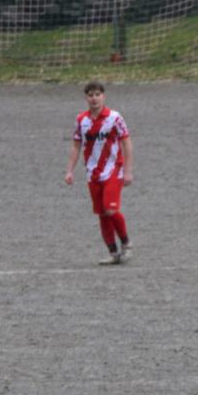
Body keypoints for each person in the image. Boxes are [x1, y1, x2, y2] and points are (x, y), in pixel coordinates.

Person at [67, 80, 134, 264]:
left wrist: (128, 171)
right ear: (86, 98)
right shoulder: (81, 120)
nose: (94, 98)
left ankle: (126, 244)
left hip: (113, 171)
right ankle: (113, 253)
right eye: (90, 95)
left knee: (111, 209)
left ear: (103, 96)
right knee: (102, 214)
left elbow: (126, 142)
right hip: (92, 174)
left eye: (98, 95)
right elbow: (76, 145)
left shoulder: (115, 118)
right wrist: (70, 171)